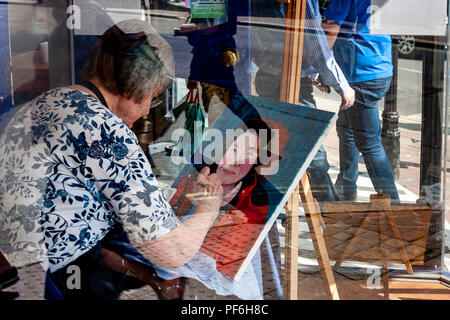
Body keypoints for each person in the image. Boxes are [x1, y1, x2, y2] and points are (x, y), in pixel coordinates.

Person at [0, 19, 224, 300]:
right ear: (135, 87)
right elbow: (170, 251)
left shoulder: (52, 99)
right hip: (28, 278)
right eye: (153, 98)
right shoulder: (107, 131)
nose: (145, 112)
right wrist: (209, 207)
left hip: (15, 261)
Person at [252, 0, 355, 202]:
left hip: (268, 74)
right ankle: (329, 211)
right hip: (288, 80)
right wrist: (341, 86)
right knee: (310, 149)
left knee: (273, 148)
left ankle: (268, 211)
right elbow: (315, 44)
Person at [322, 0, 399, 201]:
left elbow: (330, 28)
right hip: (379, 68)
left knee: (369, 143)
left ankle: (396, 206)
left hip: (361, 73)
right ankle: (347, 186)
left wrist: (320, 68)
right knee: (347, 126)